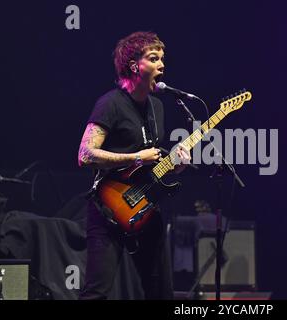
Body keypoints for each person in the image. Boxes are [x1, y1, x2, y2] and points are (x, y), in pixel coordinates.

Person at [77, 31, 191, 300]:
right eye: (154, 59)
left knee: (161, 292)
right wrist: (135, 157)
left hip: (146, 210)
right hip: (108, 211)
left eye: (162, 59)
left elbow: (152, 166)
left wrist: (176, 166)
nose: (162, 65)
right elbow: (84, 154)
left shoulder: (157, 108)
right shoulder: (110, 104)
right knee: (96, 292)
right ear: (134, 66)